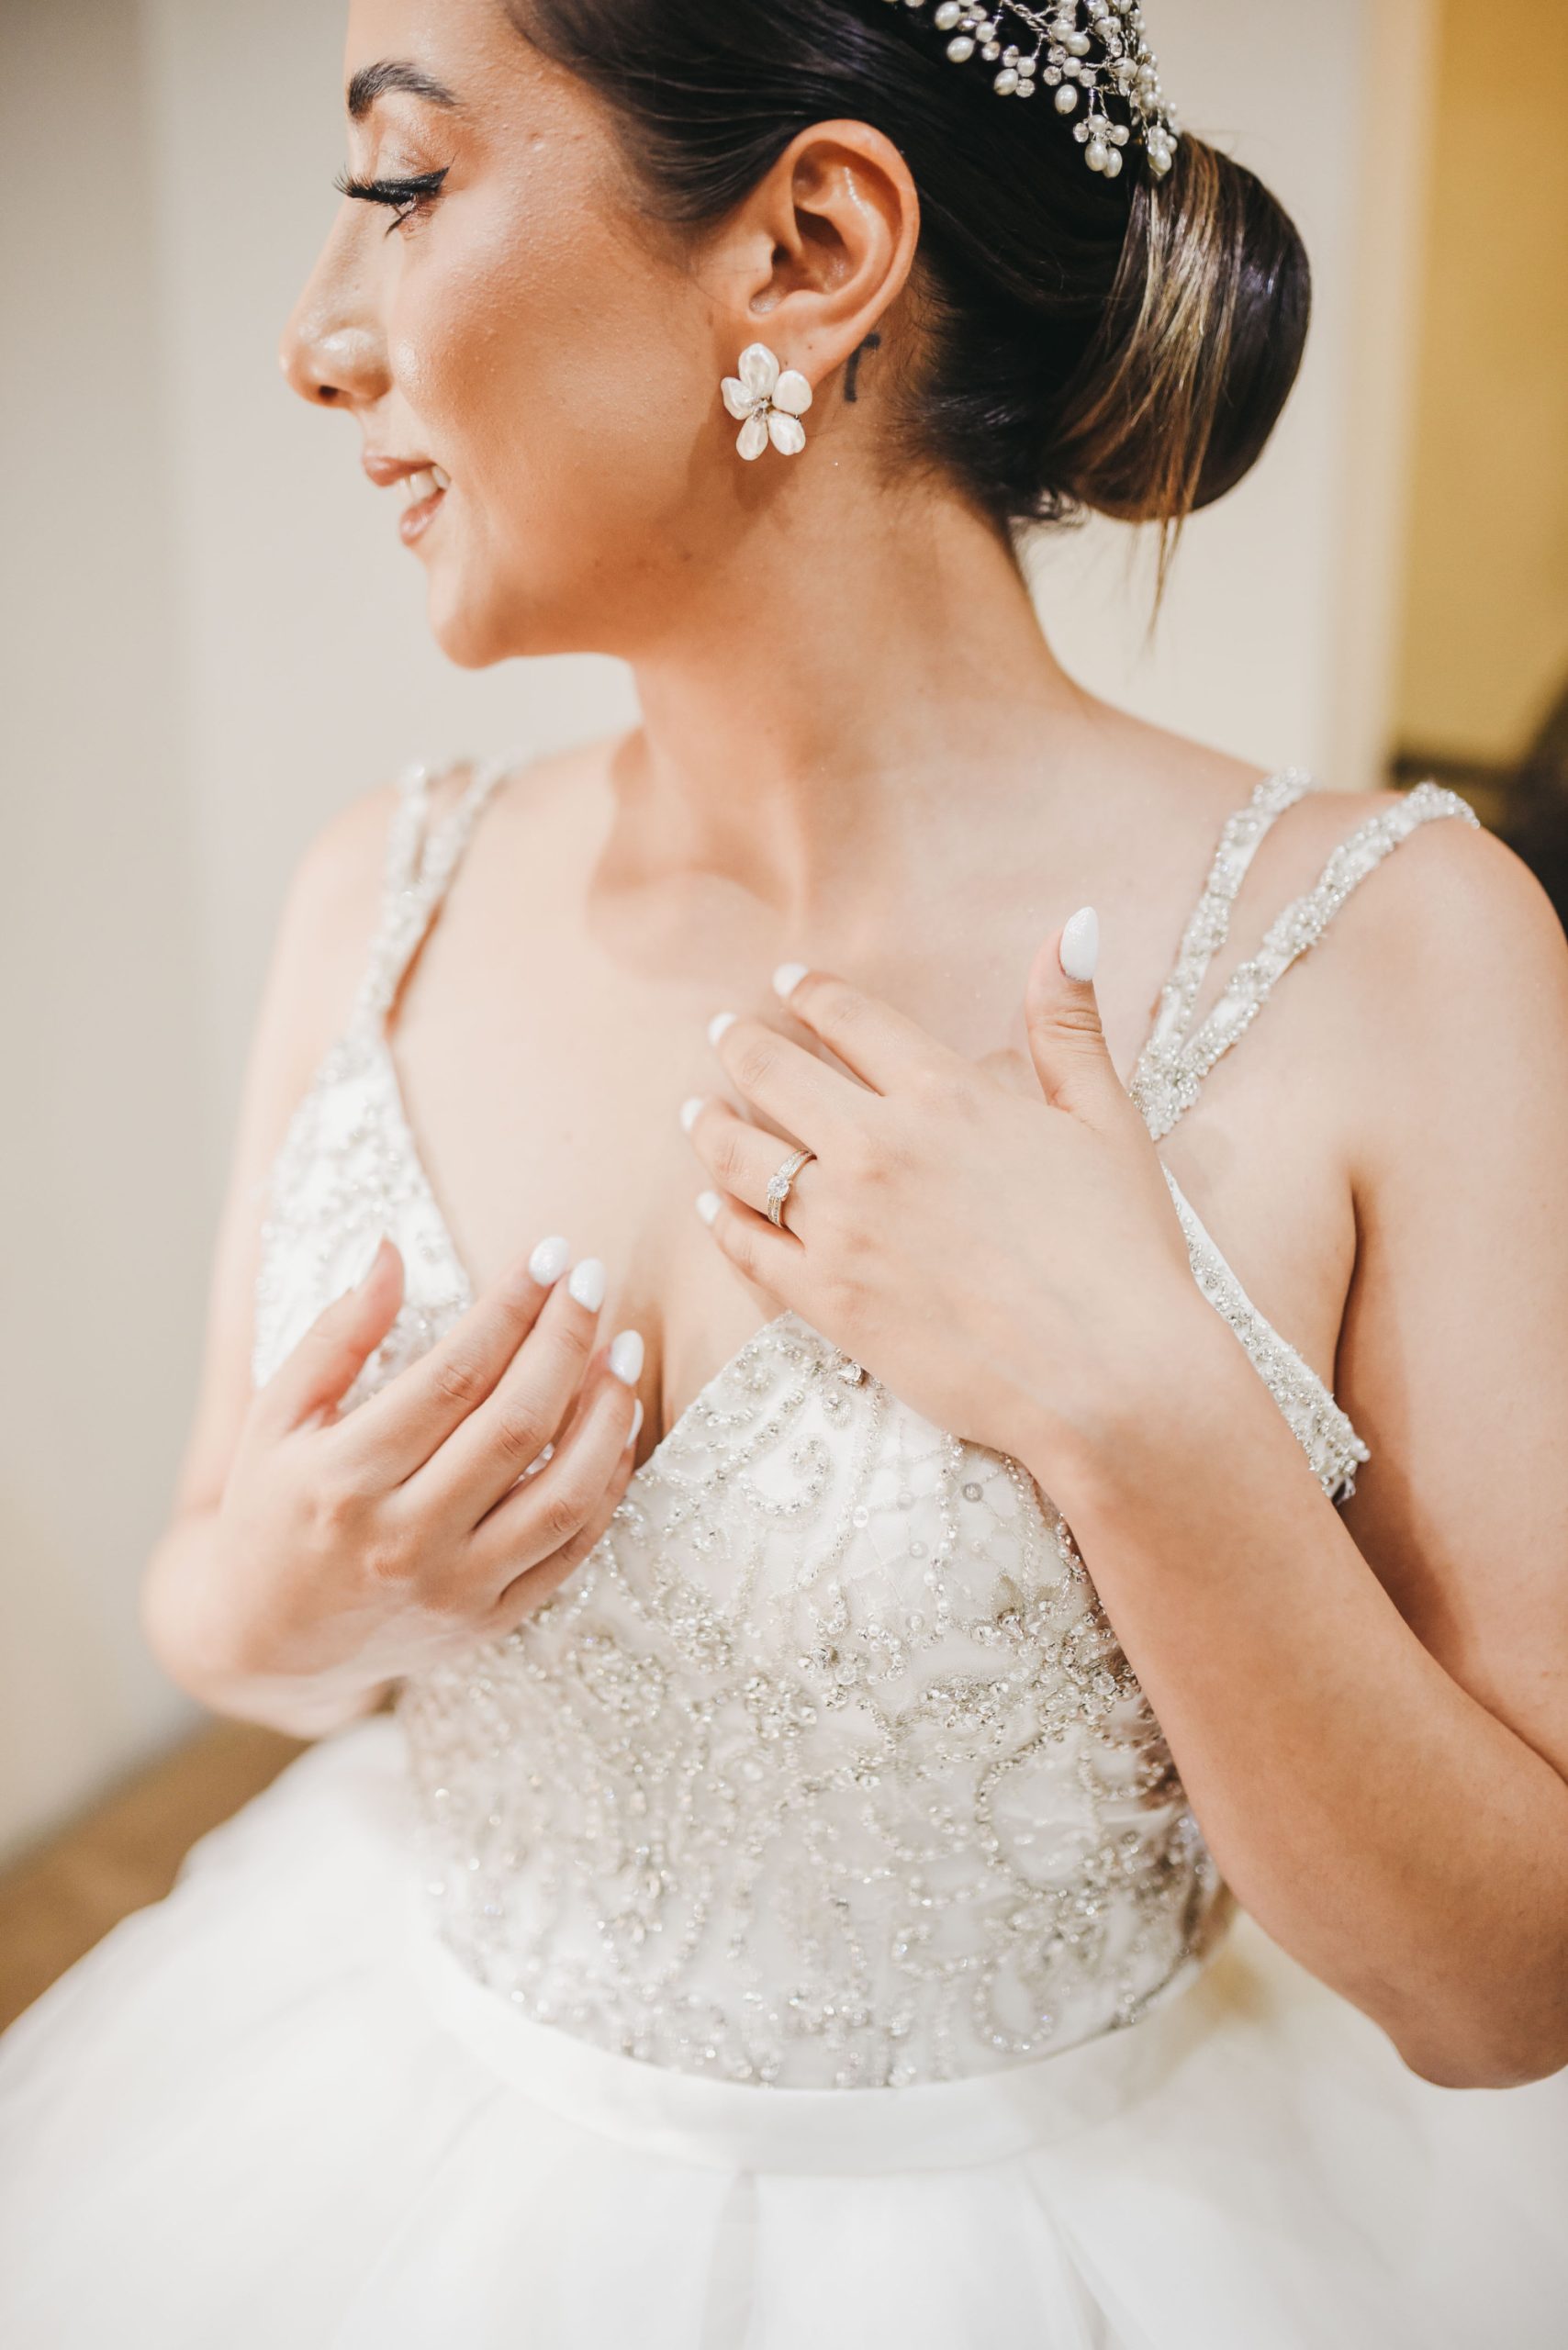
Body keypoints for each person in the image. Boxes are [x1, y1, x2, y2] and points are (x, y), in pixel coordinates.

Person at [3, 3, 1566, 2342]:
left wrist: (1135, 1412)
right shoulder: (382, 890)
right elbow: (212, 1601)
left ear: (811, 244)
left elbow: (1504, 1989)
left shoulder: (1395, 953)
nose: (319, 339)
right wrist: (300, 1596)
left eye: (404, 187)